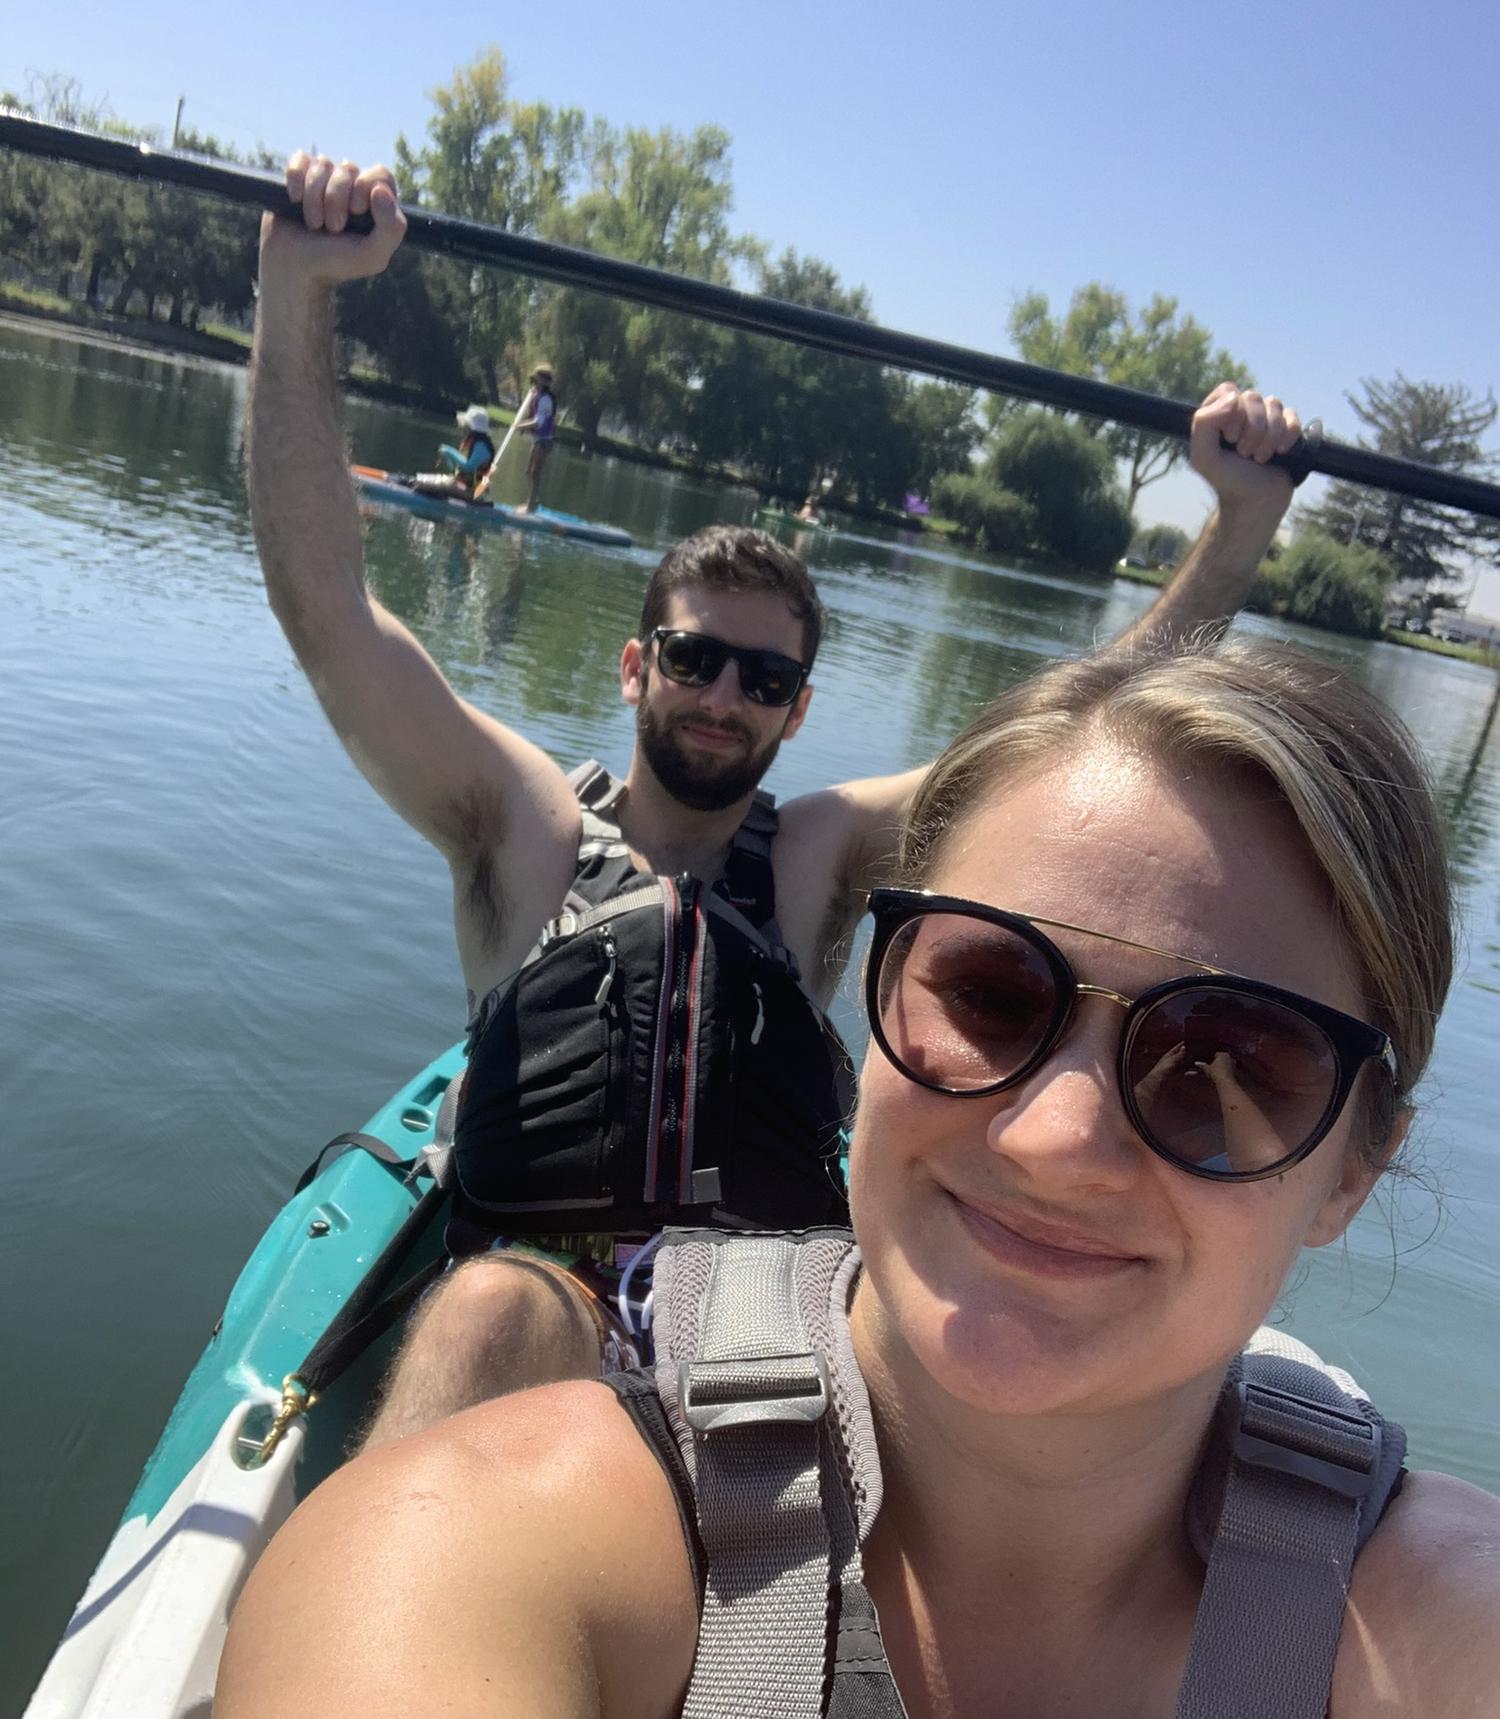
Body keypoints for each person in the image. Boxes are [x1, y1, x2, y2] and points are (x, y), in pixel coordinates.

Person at [134, 637, 1500, 1719]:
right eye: (991, 992)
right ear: (881, 993)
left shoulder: (1447, 1623)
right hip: (606, 1321)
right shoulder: (484, 1544)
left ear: (1354, 1168)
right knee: (491, 1304)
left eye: (1225, 1061)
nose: (1059, 1137)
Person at [246, 150, 1303, 1449]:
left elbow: (1069, 737)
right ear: (638, 667)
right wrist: (297, 286)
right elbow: (330, 612)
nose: (721, 696)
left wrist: (1239, 523)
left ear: (797, 707)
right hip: (538, 1312)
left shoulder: (818, 856)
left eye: (764, 677)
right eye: (692, 659)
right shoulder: (519, 822)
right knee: (488, 1317)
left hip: (761, 1326)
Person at [409, 401, 495, 500]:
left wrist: (450, 452)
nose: (464, 427)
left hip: (470, 491)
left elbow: (469, 467)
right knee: (417, 479)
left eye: (467, 424)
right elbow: (456, 470)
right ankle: (403, 480)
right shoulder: (474, 443)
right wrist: (448, 457)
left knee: (419, 483)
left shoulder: (482, 447)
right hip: (460, 484)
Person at [514, 364, 557, 513]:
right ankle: (532, 502)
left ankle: (531, 506)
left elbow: (539, 422)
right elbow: (532, 416)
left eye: (538, 378)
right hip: (539, 438)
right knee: (528, 472)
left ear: (544, 381)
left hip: (545, 440)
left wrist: (522, 426)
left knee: (535, 473)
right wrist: (523, 424)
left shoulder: (546, 399)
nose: (535, 379)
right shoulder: (536, 395)